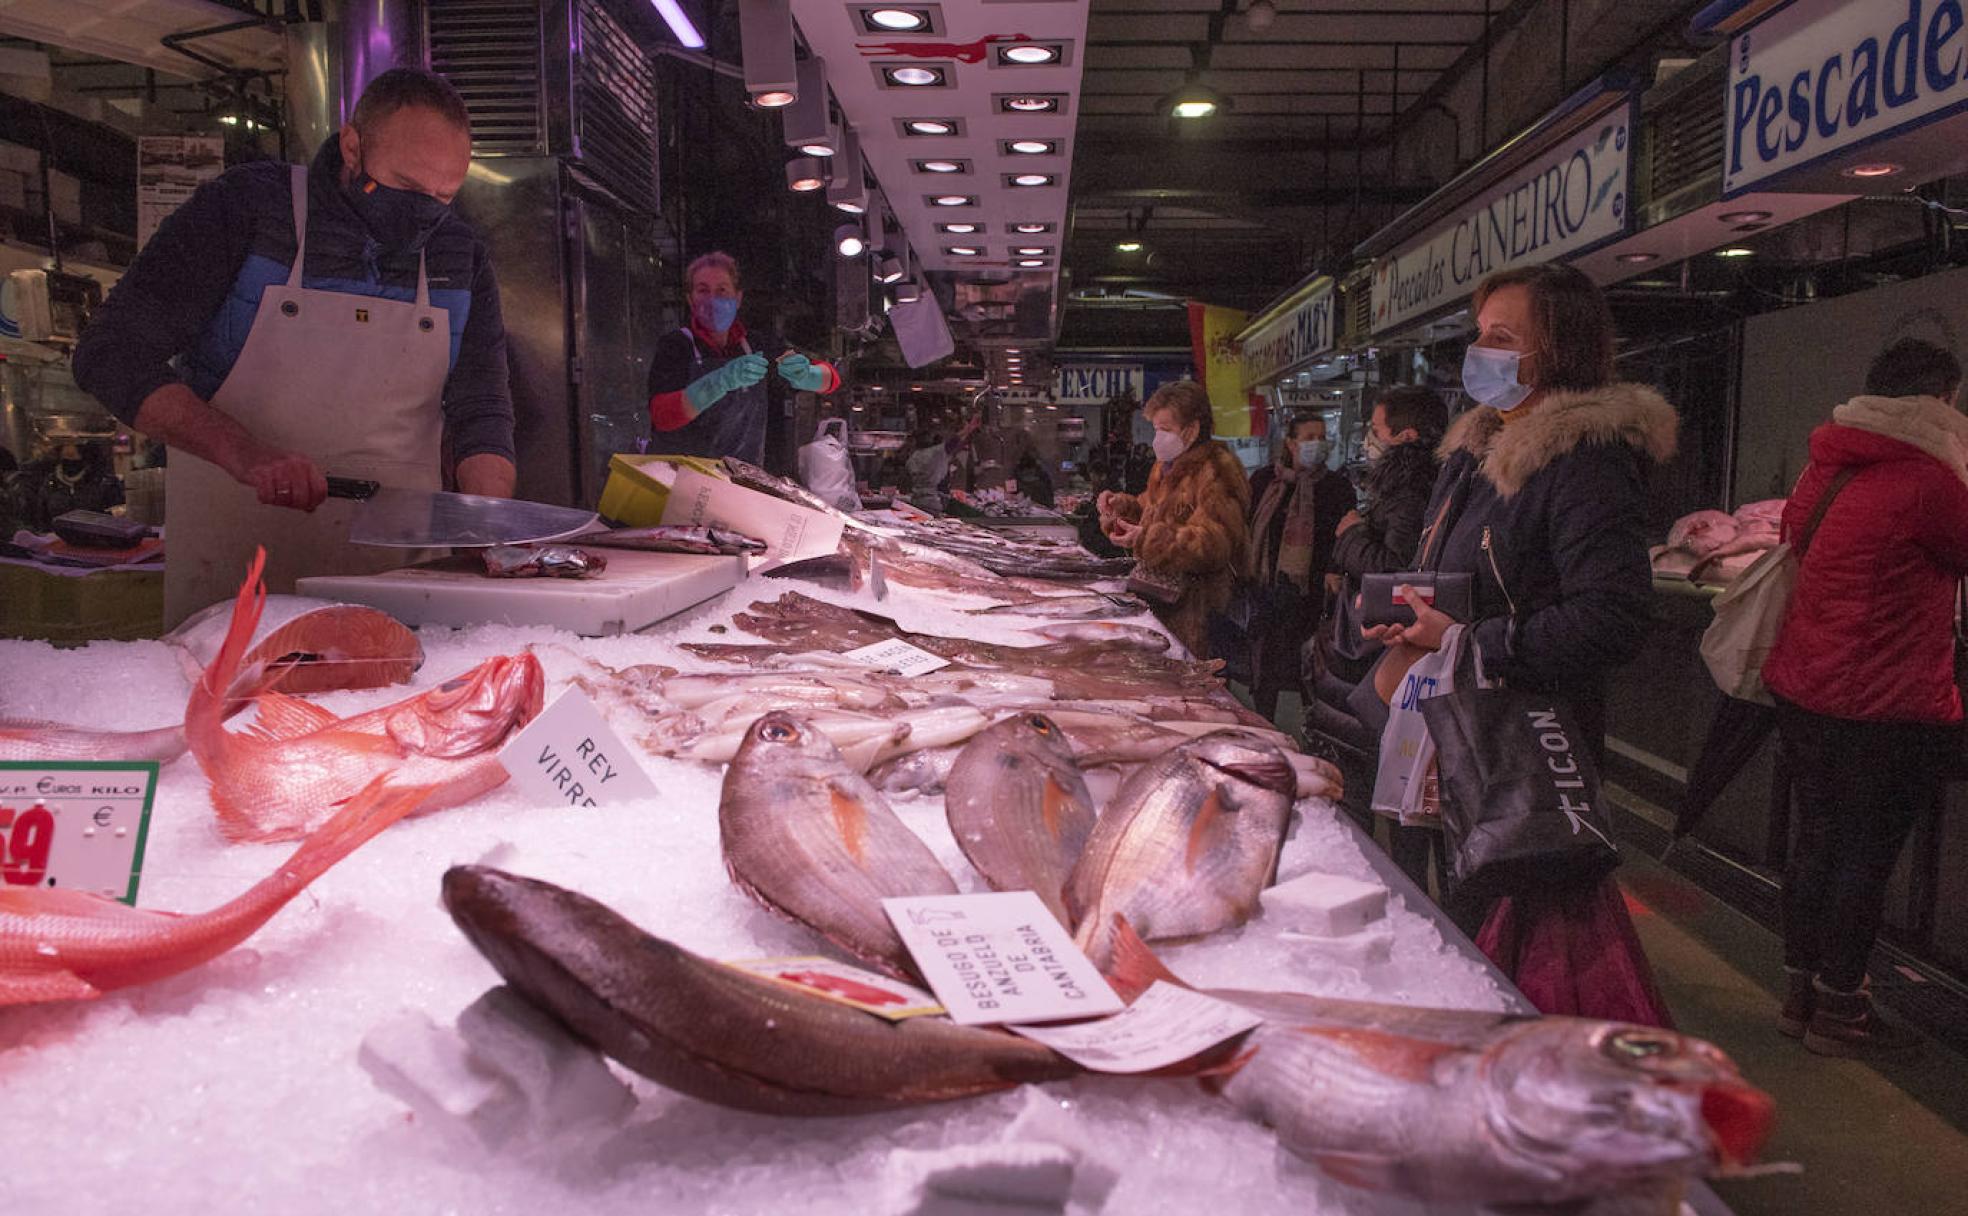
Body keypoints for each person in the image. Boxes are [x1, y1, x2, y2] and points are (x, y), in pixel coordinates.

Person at [73, 67, 516, 627]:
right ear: (353, 146)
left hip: (397, 584)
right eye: (407, 187)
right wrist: (246, 454)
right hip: (233, 576)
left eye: (443, 197)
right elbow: (110, 353)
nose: (424, 211)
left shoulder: (459, 255)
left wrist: (490, 521)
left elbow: (482, 407)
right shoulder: (249, 209)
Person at [1365, 263, 1678, 1025]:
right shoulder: (1473, 452)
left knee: (1507, 962)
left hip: (1522, 755)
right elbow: (1459, 573)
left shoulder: (1584, 461)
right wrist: (1413, 616)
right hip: (1455, 738)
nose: (1482, 352)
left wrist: (1477, 641)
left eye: (1502, 338)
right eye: (1478, 336)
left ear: (1557, 349)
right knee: (1456, 939)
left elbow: (1613, 616)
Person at [1760, 338, 1968, 1057]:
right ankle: (1840, 1011)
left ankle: (1799, 995)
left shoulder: (1829, 463)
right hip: (1887, 703)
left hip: (1806, 688)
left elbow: (1795, 536)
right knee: (1864, 856)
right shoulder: (1930, 481)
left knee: (1815, 842)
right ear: (1940, 399)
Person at [1096, 380, 1250, 659]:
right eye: (1156, 429)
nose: (1157, 438)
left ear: (1192, 430)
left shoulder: (1217, 470)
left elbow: (1215, 543)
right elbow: (1151, 509)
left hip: (1197, 612)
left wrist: (1147, 539)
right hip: (1160, 602)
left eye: (1165, 430)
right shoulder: (1165, 466)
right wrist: (1121, 508)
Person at [645, 252, 840, 466]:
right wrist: (720, 381)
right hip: (684, 481)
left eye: (722, 290)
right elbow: (662, 417)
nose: (713, 299)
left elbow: (831, 380)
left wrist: (807, 375)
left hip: (743, 482)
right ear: (690, 299)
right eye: (703, 290)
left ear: (737, 298)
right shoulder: (676, 345)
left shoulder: (756, 345)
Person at [1244, 413, 1354, 718]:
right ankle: (1263, 721)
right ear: (1291, 443)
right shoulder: (1265, 481)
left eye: (1321, 437)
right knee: (1264, 666)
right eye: (1309, 437)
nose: (1317, 443)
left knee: (1308, 667)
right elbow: (1249, 528)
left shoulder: (1337, 488)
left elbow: (1344, 538)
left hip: (1312, 596)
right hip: (1267, 592)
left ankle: (1310, 727)